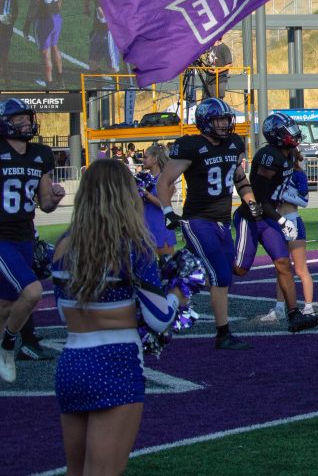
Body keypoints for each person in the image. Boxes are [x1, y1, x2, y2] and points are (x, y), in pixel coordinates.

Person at [51, 158, 182, 476]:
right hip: (115, 362)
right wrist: (181, 289)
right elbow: (160, 319)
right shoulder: (134, 246)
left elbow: (62, 312)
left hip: (71, 364)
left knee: (76, 471)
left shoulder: (63, 246)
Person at [157, 97, 257, 350]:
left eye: (226, 119)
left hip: (222, 221)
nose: (224, 124)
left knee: (194, 273)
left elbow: (240, 178)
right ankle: (223, 334)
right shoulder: (191, 146)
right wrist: (168, 211)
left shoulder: (234, 144)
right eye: (219, 120)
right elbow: (164, 181)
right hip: (198, 220)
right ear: (205, 122)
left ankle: (161, 312)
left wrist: (251, 202)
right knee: (220, 274)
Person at [0, 98, 66, 381]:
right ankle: (8, 345)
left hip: (24, 236)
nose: (26, 122)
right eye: (19, 118)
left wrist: (55, 196)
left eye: (28, 117)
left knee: (5, 305)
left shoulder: (40, 154)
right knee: (33, 292)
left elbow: (45, 204)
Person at [240, 112, 318, 332]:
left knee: (284, 264)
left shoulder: (285, 158)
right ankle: (190, 279)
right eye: (287, 131)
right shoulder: (270, 156)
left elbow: (296, 199)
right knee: (239, 269)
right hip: (257, 216)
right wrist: (281, 218)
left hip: (274, 218)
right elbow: (258, 198)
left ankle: (295, 314)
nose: (293, 134)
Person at [22, 0, 64, 89]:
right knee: (54, 47)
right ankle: (61, 79)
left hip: (44, 18)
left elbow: (36, 0)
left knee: (44, 52)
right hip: (57, 16)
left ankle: (49, 84)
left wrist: (27, 22)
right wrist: (56, 8)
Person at [137, 143, 176, 256]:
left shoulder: (166, 179)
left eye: (145, 157)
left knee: (167, 266)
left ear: (154, 159)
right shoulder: (142, 179)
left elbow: (164, 205)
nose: (142, 160)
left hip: (160, 227)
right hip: (144, 227)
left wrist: (145, 193)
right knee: (145, 268)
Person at [0, 0, 18, 88]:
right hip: (7, 23)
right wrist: (12, 21)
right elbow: (15, 6)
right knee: (5, 55)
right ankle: (7, 81)